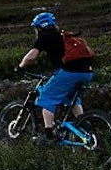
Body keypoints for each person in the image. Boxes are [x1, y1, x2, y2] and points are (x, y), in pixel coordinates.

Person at [17, 11, 93, 143]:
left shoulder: (45, 36)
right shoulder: (61, 35)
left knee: (46, 97)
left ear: (40, 27)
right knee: (72, 99)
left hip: (70, 72)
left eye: (36, 28)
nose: (36, 31)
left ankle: (49, 134)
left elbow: (31, 56)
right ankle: (83, 126)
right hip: (87, 72)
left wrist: (21, 67)